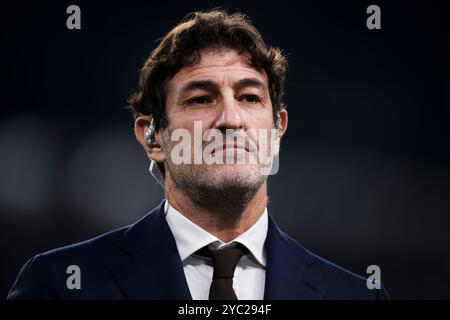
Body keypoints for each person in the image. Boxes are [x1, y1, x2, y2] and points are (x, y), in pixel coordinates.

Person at [7, 9, 388, 300]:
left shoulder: (355, 294)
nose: (230, 119)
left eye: (250, 97)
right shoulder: (61, 283)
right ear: (153, 137)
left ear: (276, 133)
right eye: (201, 98)